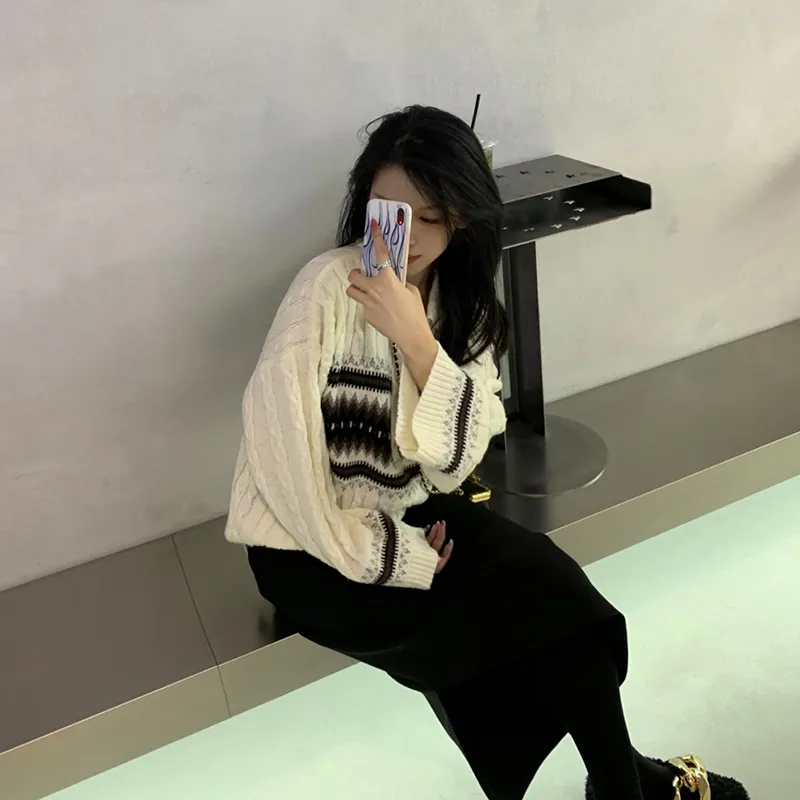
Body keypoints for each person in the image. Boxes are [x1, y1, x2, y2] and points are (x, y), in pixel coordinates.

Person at [224, 105, 748, 800]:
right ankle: (636, 784)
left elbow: (453, 464)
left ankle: (621, 783)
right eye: (389, 210)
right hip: (308, 551)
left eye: (430, 216)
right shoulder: (325, 289)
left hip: (409, 515)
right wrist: (391, 556)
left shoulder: (458, 302)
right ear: (365, 202)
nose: (407, 235)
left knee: (563, 598)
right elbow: (281, 467)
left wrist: (417, 341)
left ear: (461, 219)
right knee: (521, 628)